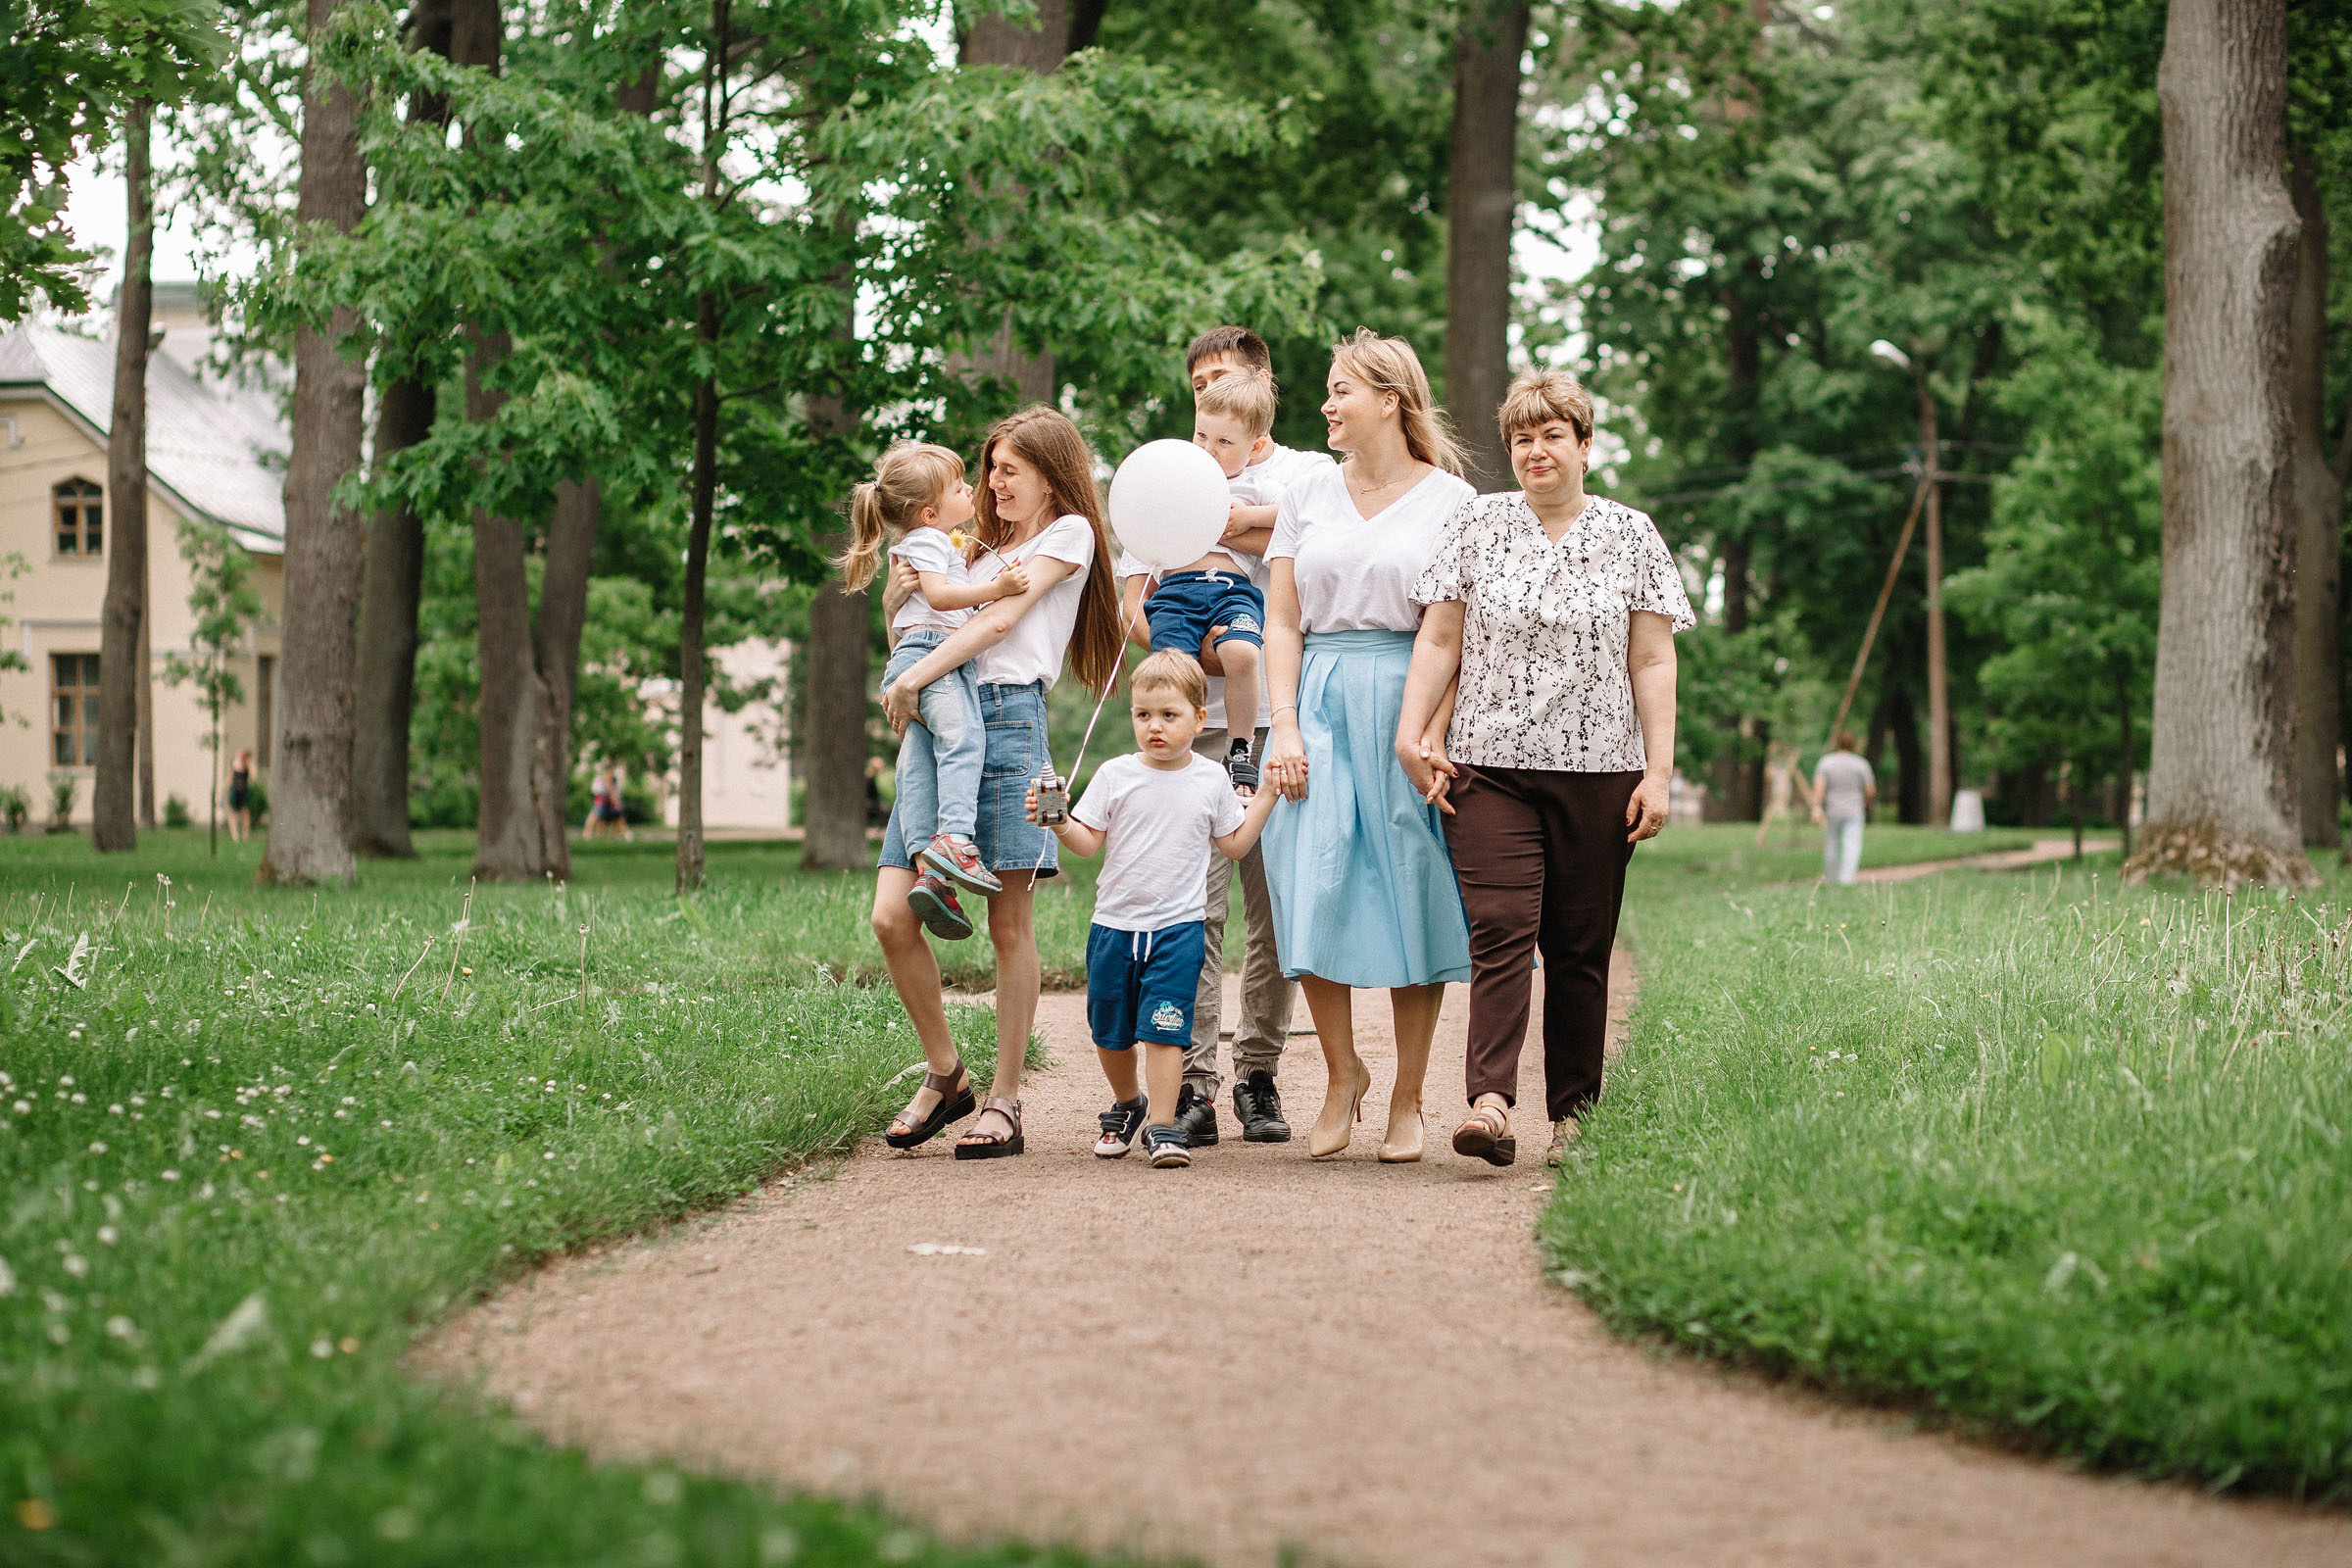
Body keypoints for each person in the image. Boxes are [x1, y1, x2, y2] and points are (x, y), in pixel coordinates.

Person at [1398, 368, 1693, 1169]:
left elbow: (1653, 661)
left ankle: (1573, 1117)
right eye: (1521, 438)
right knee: (1500, 932)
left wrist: (1658, 773)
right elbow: (1438, 638)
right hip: (1489, 765)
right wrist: (1410, 730)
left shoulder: (1633, 536)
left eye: (1551, 435)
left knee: (1577, 948)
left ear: (1586, 446)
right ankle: (1491, 1105)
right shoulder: (1478, 526)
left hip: (1602, 773)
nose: (1535, 451)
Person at [870, 407, 1122, 1159]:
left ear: (1052, 472)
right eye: (991, 469)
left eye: (1011, 469)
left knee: (1009, 924)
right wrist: (896, 616)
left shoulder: (1066, 534)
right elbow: (922, 622)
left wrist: (911, 677)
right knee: (891, 915)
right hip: (939, 720)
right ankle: (948, 1075)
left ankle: (1006, 1101)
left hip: (1009, 722)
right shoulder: (966, 545)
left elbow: (999, 626)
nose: (995, 482)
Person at [1259, 327, 1477, 1163]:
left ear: (1390, 399)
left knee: (1413, 886)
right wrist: (1283, 724)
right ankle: (1343, 1074)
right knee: (1310, 880)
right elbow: (1282, 618)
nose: (1326, 404)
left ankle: (1411, 1094)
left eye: (1341, 389)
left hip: (1409, 700)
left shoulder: (1453, 503)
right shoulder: (1310, 491)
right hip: (1315, 693)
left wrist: (1428, 728)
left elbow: (1459, 633)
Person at [1119, 326, 1332, 1148]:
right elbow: (1136, 604)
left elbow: (1312, 538)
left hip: (1277, 719)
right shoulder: (1171, 472)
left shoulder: (1309, 471)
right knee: (1192, 912)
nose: (1210, 392)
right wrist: (1190, 652)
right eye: (1198, 383)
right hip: (1193, 729)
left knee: (1271, 914)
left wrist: (1238, 516)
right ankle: (1197, 1083)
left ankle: (1260, 1073)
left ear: (1261, 384)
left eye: (1226, 378)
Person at [1031, 650, 1281, 1169]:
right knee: (1110, 1031)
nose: (1155, 727)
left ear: (1199, 718)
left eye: (1169, 715)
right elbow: (1086, 843)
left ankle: (1165, 1128)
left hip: (1177, 930)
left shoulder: (1211, 780)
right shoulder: (1114, 775)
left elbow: (1233, 846)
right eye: (1143, 715)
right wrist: (1057, 823)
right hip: (1114, 927)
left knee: (1166, 1028)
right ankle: (1128, 1104)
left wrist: (1268, 795)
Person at [840, 441, 1032, 935]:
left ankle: (930, 876)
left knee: (918, 766)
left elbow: (917, 611)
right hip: (933, 659)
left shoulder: (930, 541)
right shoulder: (926, 540)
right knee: (964, 740)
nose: (972, 490)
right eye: (960, 487)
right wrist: (998, 589)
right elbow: (943, 599)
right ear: (929, 511)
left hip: (915, 656)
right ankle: (957, 842)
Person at [1131, 372, 1276, 790]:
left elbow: (1297, 517)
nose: (1209, 451)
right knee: (1173, 670)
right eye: (1202, 436)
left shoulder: (1256, 485)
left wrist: (1250, 517)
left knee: (1243, 654)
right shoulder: (1174, 477)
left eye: (1225, 442)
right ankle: (1170, 750)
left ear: (1257, 446)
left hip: (1233, 594)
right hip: (1176, 595)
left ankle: (1240, 748)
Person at [1813, 731, 1877, 885]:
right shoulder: (1861, 764)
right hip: (1854, 810)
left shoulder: (1826, 762)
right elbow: (1870, 790)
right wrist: (1867, 804)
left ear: (1837, 743)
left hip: (1832, 810)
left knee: (1832, 844)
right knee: (1852, 844)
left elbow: (1819, 788)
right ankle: (1847, 879)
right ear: (1853, 744)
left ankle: (1831, 878)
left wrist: (1816, 807)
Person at [226, 749, 253, 843]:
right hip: (235, 791)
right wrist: (223, 790)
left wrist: (249, 764)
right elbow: (229, 778)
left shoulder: (248, 765)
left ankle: (245, 835)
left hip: (244, 791)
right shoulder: (234, 764)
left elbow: (253, 776)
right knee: (233, 812)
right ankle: (235, 835)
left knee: (245, 813)